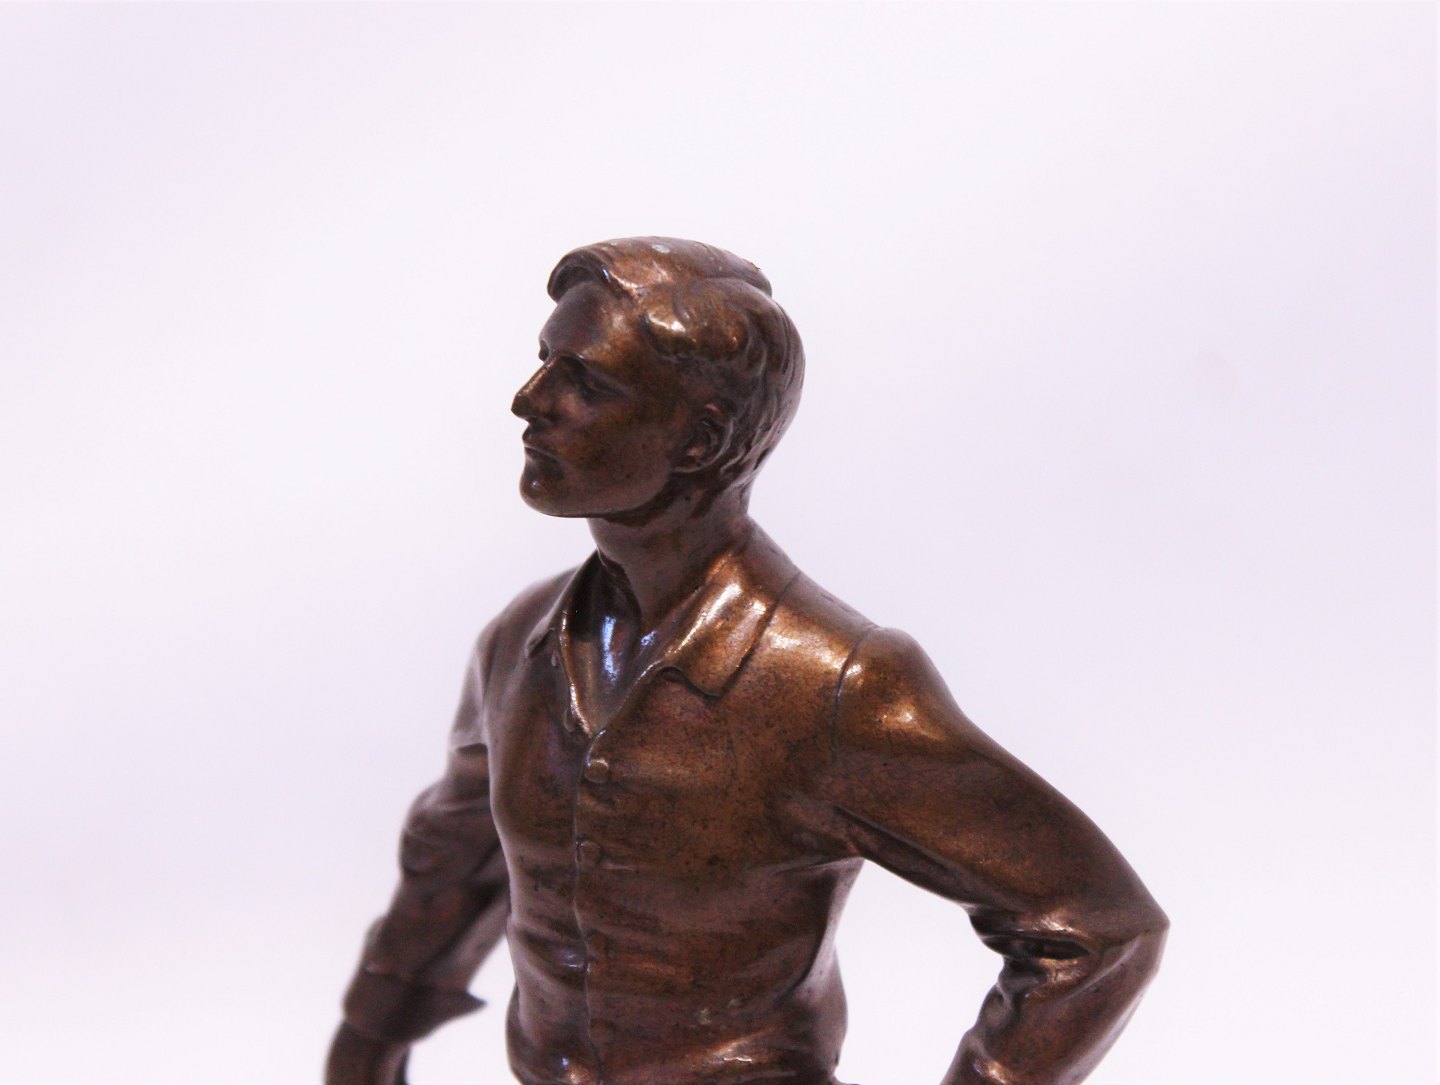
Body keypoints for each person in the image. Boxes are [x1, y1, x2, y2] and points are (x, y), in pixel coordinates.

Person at [325, 237, 1167, 1085]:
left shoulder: (835, 686)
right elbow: (458, 854)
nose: (529, 399)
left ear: (700, 440)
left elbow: (1097, 928)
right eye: (544, 361)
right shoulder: (519, 642)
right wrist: (367, 1036)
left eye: (586, 381)